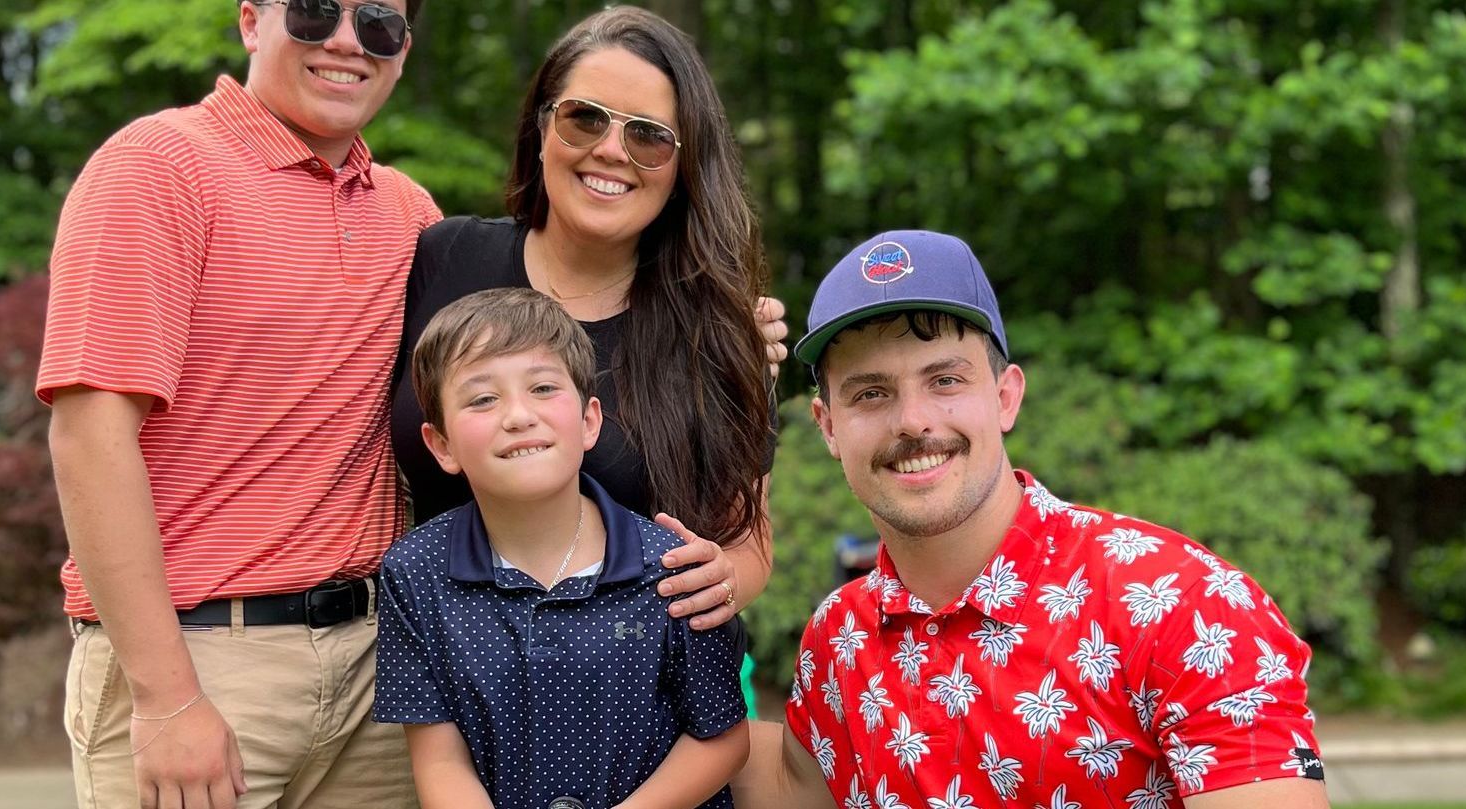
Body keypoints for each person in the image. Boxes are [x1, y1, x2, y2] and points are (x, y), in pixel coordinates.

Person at [733, 231, 1331, 809]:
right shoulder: (840, 640)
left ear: (1005, 397)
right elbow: (785, 788)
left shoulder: (1183, 605)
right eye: (870, 393)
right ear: (828, 425)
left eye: (945, 380)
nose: (912, 421)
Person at [40, 1, 439, 807]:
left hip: (380, 679)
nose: (344, 41)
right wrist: (167, 695)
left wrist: (722, 324)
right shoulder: (158, 167)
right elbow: (89, 437)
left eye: (379, 24)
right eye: (318, 9)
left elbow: (545, 361)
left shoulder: (410, 214)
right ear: (253, 20)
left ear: (401, 51)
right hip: (204, 662)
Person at [387, 5, 778, 641]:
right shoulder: (447, 256)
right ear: (542, 130)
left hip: (635, 695)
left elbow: (749, 537)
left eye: (649, 136)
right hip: (449, 675)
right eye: (584, 119)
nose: (610, 151)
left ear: (683, 168)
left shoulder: (718, 327)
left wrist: (724, 578)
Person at [374, 287, 749, 809]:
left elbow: (722, 737)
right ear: (442, 445)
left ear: (589, 420)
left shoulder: (674, 568)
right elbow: (439, 756)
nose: (518, 416)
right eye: (483, 398)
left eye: (543, 388)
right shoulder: (415, 573)